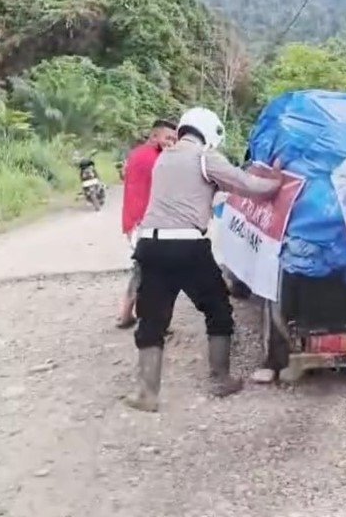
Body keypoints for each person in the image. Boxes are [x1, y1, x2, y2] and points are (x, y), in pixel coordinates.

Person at [123, 107, 285, 412]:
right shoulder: (204, 157)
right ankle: (220, 380)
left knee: (152, 319)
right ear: (208, 131)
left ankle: (146, 393)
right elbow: (249, 186)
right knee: (217, 309)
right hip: (187, 246)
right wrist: (277, 181)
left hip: (150, 245)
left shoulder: (165, 157)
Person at [117, 119, 178, 329]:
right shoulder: (157, 159)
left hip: (134, 221)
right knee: (151, 272)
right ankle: (149, 320)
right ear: (154, 136)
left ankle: (127, 314)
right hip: (145, 223)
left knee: (142, 268)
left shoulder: (137, 154)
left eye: (174, 139)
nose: (171, 142)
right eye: (167, 137)